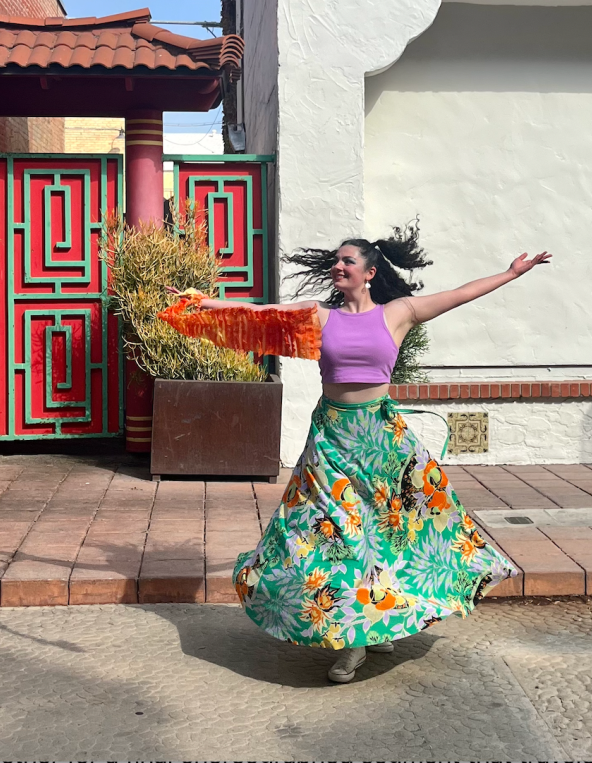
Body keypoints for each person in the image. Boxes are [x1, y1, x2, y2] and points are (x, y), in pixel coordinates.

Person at [169, 224, 551, 684]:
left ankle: (372, 626)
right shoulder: (320, 316)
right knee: (338, 536)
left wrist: (511, 273)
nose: (339, 266)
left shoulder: (399, 313)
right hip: (331, 439)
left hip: (381, 440)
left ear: (369, 273)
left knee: (388, 535)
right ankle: (356, 637)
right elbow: (264, 313)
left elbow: (460, 294)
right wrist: (207, 303)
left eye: (348, 261)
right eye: (337, 260)